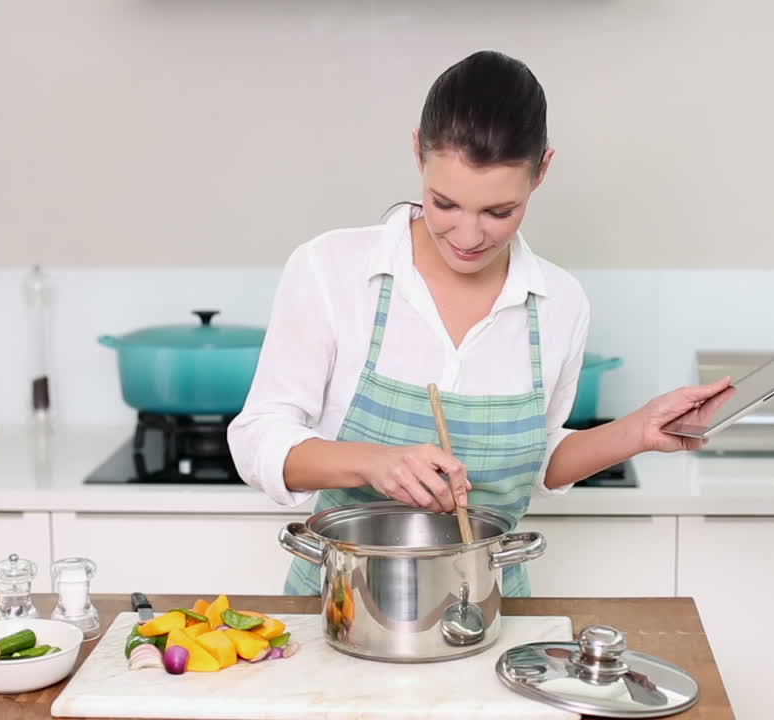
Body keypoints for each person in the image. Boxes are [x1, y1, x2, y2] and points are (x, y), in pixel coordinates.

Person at [227, 49, 731, 597]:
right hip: (344, 608)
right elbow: (257, 439)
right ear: (418, 150)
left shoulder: (559, 301)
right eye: (444, 204)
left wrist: (636, 432)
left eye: (499, 212)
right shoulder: (332, 270)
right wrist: (373, 463)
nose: (468, 238)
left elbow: (537, 459)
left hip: (488, 611)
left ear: (542, 171)